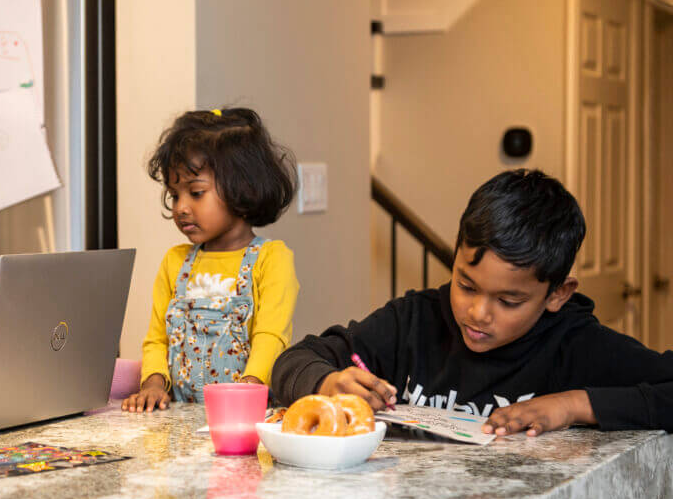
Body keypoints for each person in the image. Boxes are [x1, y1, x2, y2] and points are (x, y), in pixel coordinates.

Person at [271, 169, 673, 436]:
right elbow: (293, 361)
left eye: (509, 301)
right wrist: (327, 381)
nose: (478, 313)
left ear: (557, 295)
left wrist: (573, 405)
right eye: (466, 284)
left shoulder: (576, 345)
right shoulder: (413, 320)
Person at [122, 108, 299, 412]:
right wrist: (152, 382)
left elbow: (270, 336)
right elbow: (156, 338)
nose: (181, 207)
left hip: (243, 416)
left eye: (196, 192)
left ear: (242, 189)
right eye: (175, 195)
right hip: (176, 421)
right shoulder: (175, 262)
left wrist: (251, 385)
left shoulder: (270, 259)